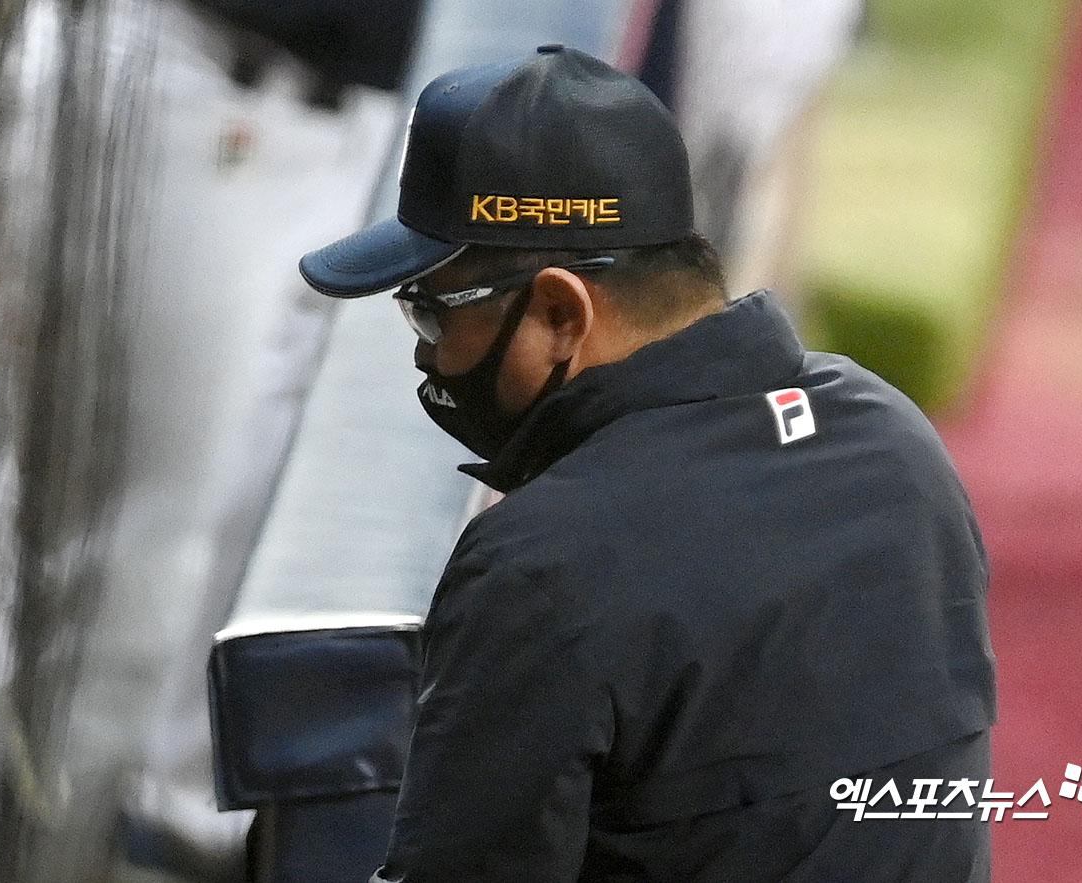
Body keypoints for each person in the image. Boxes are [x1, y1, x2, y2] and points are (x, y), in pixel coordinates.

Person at [299, 45, 996, 882]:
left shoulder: (542, 563)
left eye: (430, 313)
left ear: (560, 313)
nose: (427, 355)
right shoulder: (893, 437)